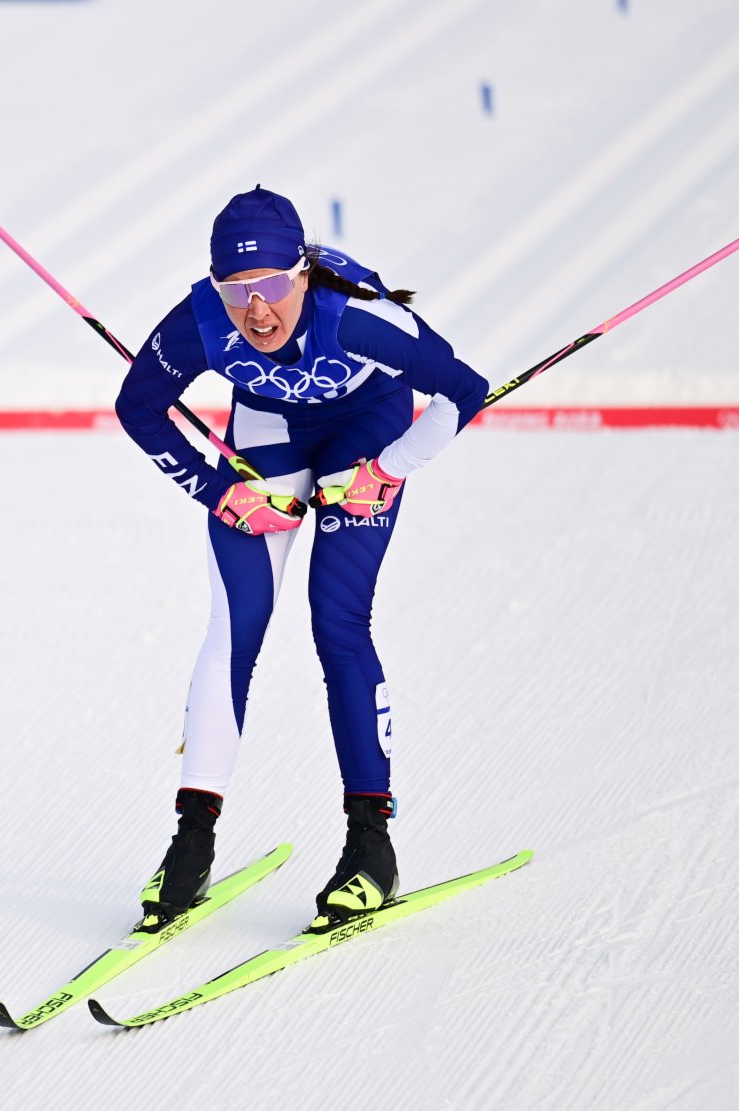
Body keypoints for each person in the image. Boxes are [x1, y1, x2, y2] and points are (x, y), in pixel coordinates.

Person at [114, 186, 489, 932]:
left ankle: (369, 848)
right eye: (237, 291)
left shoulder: (357, 320)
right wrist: (221, 490)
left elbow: (463, 390)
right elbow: (138, 408)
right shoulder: (198, 323)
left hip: (365, 431)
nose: (258, 310)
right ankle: (191, 841)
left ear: (304, 274)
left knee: (337, 621)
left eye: (275, 285)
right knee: (237, 622)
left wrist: (390, 466)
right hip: (270, 431)